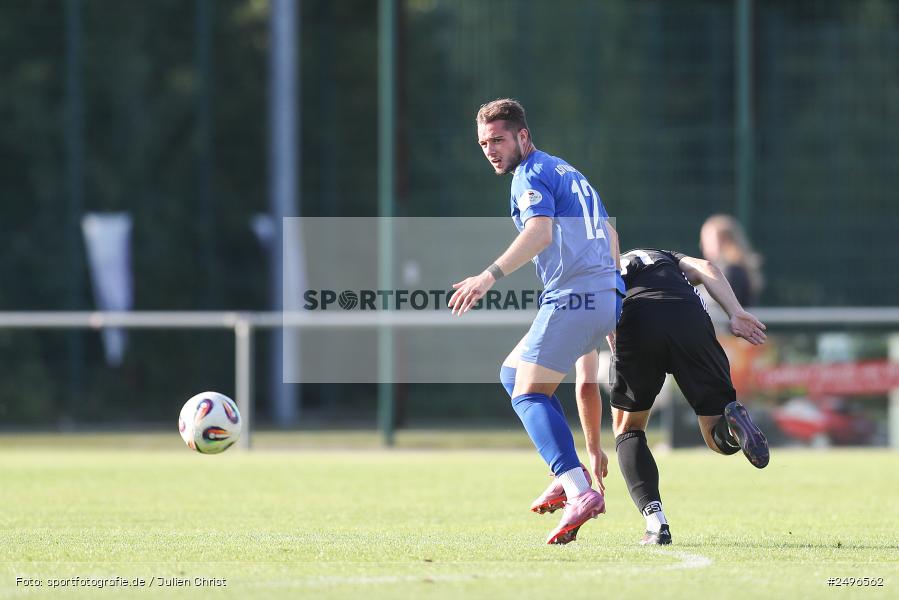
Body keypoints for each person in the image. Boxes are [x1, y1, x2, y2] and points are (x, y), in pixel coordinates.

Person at [448, 98, 623, 544]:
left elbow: (540, 232)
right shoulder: (567, 171)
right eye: (484, 143)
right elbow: (610, 232)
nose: (490, 150)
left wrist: (488, 276)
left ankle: (579, 491)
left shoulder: (529, 174)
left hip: (574, 298)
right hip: (602, 296)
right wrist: (611, 298)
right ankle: (569, 474)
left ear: (523, 136)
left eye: (498, 140)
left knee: (527, 394)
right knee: (512, 374)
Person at [530, 248, 770, 546]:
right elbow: (707, 267)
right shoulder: (663, 256)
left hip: (637, 321)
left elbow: (586, 384)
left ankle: (657, 524)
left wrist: (593, 448)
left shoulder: (590, 282)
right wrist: (735, 312)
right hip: (689, 317)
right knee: (715, 435)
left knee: (628, 429)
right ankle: (733, 429)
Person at [699, 214, 764, 307]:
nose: (702, 245)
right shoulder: (735, 269)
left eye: (707, 240)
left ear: (725, 240)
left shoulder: (732, 272)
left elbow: (718, 307)